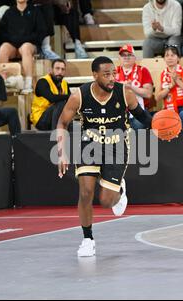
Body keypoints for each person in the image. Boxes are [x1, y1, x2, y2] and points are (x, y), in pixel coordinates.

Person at [56, 56, 153, 257]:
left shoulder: (125, 93)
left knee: (107, 202)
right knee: (85, 192)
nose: (111, 78)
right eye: (106, 74)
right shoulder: (79, 96)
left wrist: (160, 127)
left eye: (113, 73)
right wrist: (61, 153)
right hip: (88, 145)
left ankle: (119, 189)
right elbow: (62, 123)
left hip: (116, 146)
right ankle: (87, 239)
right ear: (95, 75)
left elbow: (144, 118)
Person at [0, 0, 47, 94]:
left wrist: (24, 39)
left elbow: (41, 31)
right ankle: (1, 81)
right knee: (4, 47)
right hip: (13, 44)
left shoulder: (35, 11)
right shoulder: (9, 12)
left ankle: (28, 83)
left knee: (25, 47)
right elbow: (1, 32)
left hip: (30, 44)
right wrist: (13, 39)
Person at [155, 44, 183, 129]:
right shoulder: (162, 74)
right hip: (168, 108)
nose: (170, 58)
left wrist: (177, 81)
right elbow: (157, 97)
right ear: (164, 59)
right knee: (157, 117)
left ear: (178, 58)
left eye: (173, 55)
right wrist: (170, 86)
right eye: (167, 55)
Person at [115, 43, 154, 129]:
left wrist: (131, 87)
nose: (126, 57)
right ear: (119, 58)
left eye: (129, 55)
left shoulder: (143, 70)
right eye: (123, 55)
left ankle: (141, 142)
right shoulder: (114, 72)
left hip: (139, 110)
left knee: (139, 125)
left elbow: (148, 94)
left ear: (135, 57)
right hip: (118, 111)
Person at [31, 58, 71, 130]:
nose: (60, 72)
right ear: (51, 70)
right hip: (41, 119)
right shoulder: (43, 81)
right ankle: (56, 135)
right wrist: (70, 96)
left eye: (62, 69)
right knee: (60, 103)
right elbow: (51, 98)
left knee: (76, 127)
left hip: (58, 117)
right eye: (57, 68)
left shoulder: (65, 83)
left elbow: (70, 101)